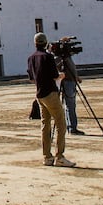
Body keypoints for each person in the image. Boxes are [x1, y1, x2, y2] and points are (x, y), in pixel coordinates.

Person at [28, 33, 75, 167]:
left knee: (45, 125)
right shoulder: (47, 57)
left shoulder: (31, 58)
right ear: (46, 43)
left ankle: (47, 156)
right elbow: (55, 76)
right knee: (61, 124)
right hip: (50, 94)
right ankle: (59, 156)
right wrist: (61, 75)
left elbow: (32, 78)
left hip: (39, 95)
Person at [60, 52, 86, 134]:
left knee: (71, 105)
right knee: (70, 105)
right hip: (67, 83)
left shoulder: (67, 58)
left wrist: (77, 78)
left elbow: (71, 69)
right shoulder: (61, 58)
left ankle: (71, 126)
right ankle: (72, 127)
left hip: (71, 82)